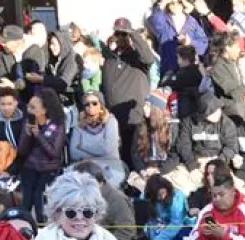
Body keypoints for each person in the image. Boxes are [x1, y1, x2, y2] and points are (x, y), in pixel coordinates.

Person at [103, 18, 156, 165]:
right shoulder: (110, 59)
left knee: (134, 156)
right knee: (118, 157)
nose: (120, 37)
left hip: (133, 117)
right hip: (113, 116)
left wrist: (132, 33)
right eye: (117, 34)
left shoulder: (137, 58)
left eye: (123, 34)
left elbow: (148, 57)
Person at [17, 87, 68, 224]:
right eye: (29, 106)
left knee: (39, 197)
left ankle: (42, 227)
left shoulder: (58, 125)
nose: (29, 110)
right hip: (30, 166)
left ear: (44, 110)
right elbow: (22, 151)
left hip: (49, 168)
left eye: (33, 107)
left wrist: (38, 135)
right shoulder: (27, 121)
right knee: (26, 199)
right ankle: (24, 228)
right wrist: (27, 136)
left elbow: (54, 153)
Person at [176, 94, 239, 186]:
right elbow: (183, 145)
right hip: (196, 160)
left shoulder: (226, 123)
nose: (217, 113)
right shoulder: (189, 122)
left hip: (218, 160)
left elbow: (231, 146)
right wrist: (192, 165)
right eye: (212, 112)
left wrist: (217, 163)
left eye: (218, 109)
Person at [69, 92, 127, 186]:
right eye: (87, 104)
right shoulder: (79, 124)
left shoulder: (111, 121)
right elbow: (74, 153)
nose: (90, 106)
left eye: (94, 103)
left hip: (110, 165)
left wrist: (82, 146)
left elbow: (107, 149)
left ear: (101, 105)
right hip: (86, 167)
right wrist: (97, 151)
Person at [150, 0, 209, 74]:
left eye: (178, 2)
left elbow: (204, 45)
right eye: (172, 3)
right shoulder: (163, 20)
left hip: (191, 70)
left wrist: (190, 42)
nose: (175, 5)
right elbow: (155, 22)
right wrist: (163, 3)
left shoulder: (192, 21)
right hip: (170, 69)